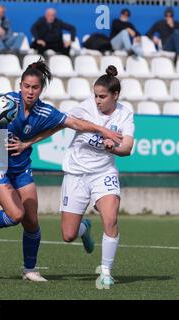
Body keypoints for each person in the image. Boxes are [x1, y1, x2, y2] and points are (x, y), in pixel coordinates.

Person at [0, 60, 123, 282]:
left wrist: (103, 130)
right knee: (16, 214)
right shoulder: (9, 101)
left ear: (41, 89)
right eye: (26, 86)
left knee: (32, 220)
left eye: (34, 87)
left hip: (21, 167)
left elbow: (74, 123)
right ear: (20, 86)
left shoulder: (45, 111)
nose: (29, 91)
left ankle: (30, 270)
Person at [25, 65, 134, 288]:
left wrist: (113, 148)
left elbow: (128, 148)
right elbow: (55, 127)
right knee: (68, 235)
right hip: (76, 174)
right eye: (95, 95)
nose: (97, 100)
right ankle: (84, 227)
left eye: (102, 96)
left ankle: (105, 272)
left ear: (115, 95)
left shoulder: (125, 113)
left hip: (104, 173)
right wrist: (29, 141)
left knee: (111, 219)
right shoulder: (84, 109)